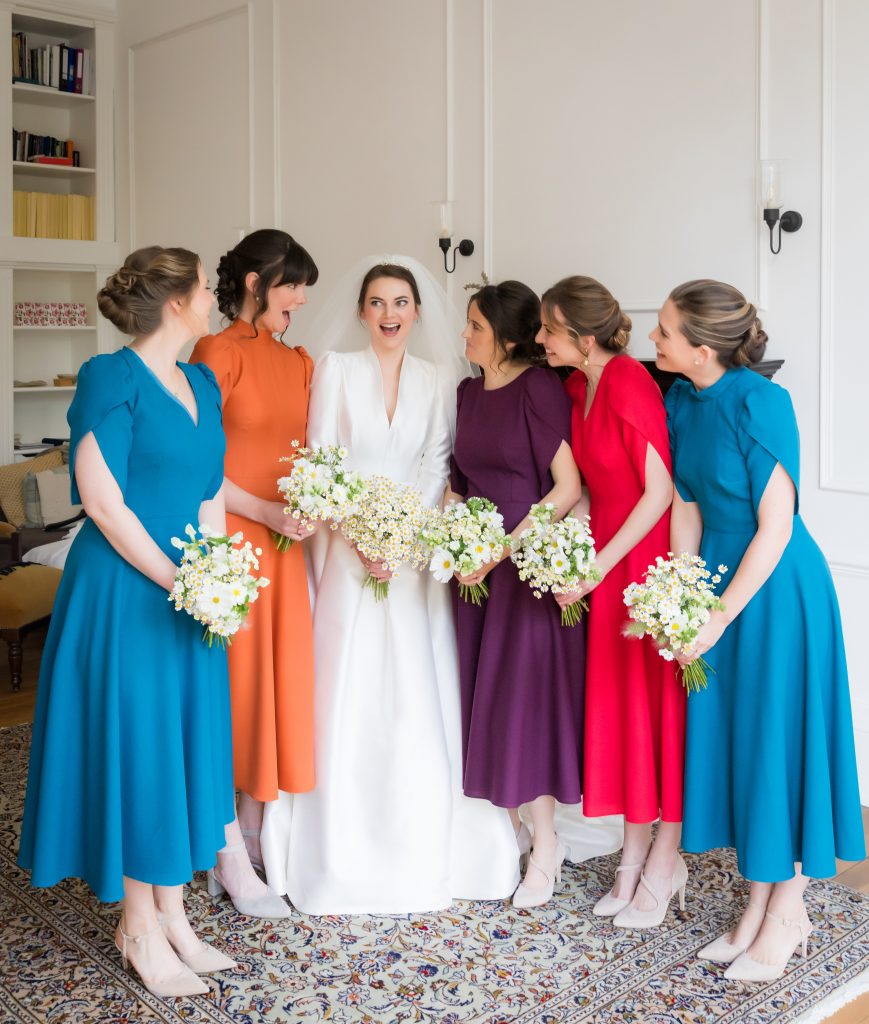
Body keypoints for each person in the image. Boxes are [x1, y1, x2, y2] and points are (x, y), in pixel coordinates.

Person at [259, 255, 519, 914]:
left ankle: (429, 840)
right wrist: (358, 537)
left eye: (399, 303)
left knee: (413, 681)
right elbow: (322, 458)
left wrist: (401, 539)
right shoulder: (337, 371)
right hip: (345, 555)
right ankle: (332, 846)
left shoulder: (437, 379)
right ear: (360, 310)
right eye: (377, 303)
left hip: (413, 556)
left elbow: (436, 463)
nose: (389, 315)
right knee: (347, 682)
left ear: (416, 311)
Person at [18, 246, 237, 997]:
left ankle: (172, 913)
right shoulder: (110, 377)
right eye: (207, 289)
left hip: (190, 593)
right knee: (142, 750)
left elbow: (209, 492)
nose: (214, 299)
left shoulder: (202, 382)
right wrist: (182, 581)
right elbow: (102, 501)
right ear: (177, 301)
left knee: (181, 748)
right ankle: (136, 923)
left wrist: (217, 577)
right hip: (127, 590)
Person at [656, 279, 865, 980]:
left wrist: (716, 615)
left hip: (774, 591)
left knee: (782, 740)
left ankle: (789, 909)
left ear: (700, 345)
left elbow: (776, 527)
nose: (651, 341)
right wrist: (678, 596)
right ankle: (756, 905)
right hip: (714, 579)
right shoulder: (679, 399)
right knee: (744, 744)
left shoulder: (761, 402)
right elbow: (686, 507)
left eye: (661, 332)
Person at [536, 276, 686, 928]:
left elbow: (658, 492)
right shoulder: (579, 386)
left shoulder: (626, 380)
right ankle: (630, 859)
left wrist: (596, 567)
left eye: (548, 328)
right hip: (603, 558)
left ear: (583, 336)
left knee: (654, 714)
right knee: (621, 713)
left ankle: (664, 857)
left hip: (641, 561)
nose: (538, 338)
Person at [190, 229, 319, 918]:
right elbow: (202, 465)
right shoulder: (214, 352)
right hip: (234, 541)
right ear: (254, 282)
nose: (300, 299)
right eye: (292, 284)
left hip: (284, 545)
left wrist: (306, 505)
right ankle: (225, 850)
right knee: (230, 697)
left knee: (271, 692)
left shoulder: (295, 359)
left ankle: (250, 829)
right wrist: (266, 509)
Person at [448, 280, 584, 908]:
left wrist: (501, 548)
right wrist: (459, 543)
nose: (465, 335)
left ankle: (548, 844)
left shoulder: (536, 388)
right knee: (482, 700)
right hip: (472, 571)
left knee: (525, 706)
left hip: (524, 567)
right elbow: (458, 482)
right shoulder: (468, 391)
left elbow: (565, 487)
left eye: (475, 325)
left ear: (506, 337)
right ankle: (507, 836)